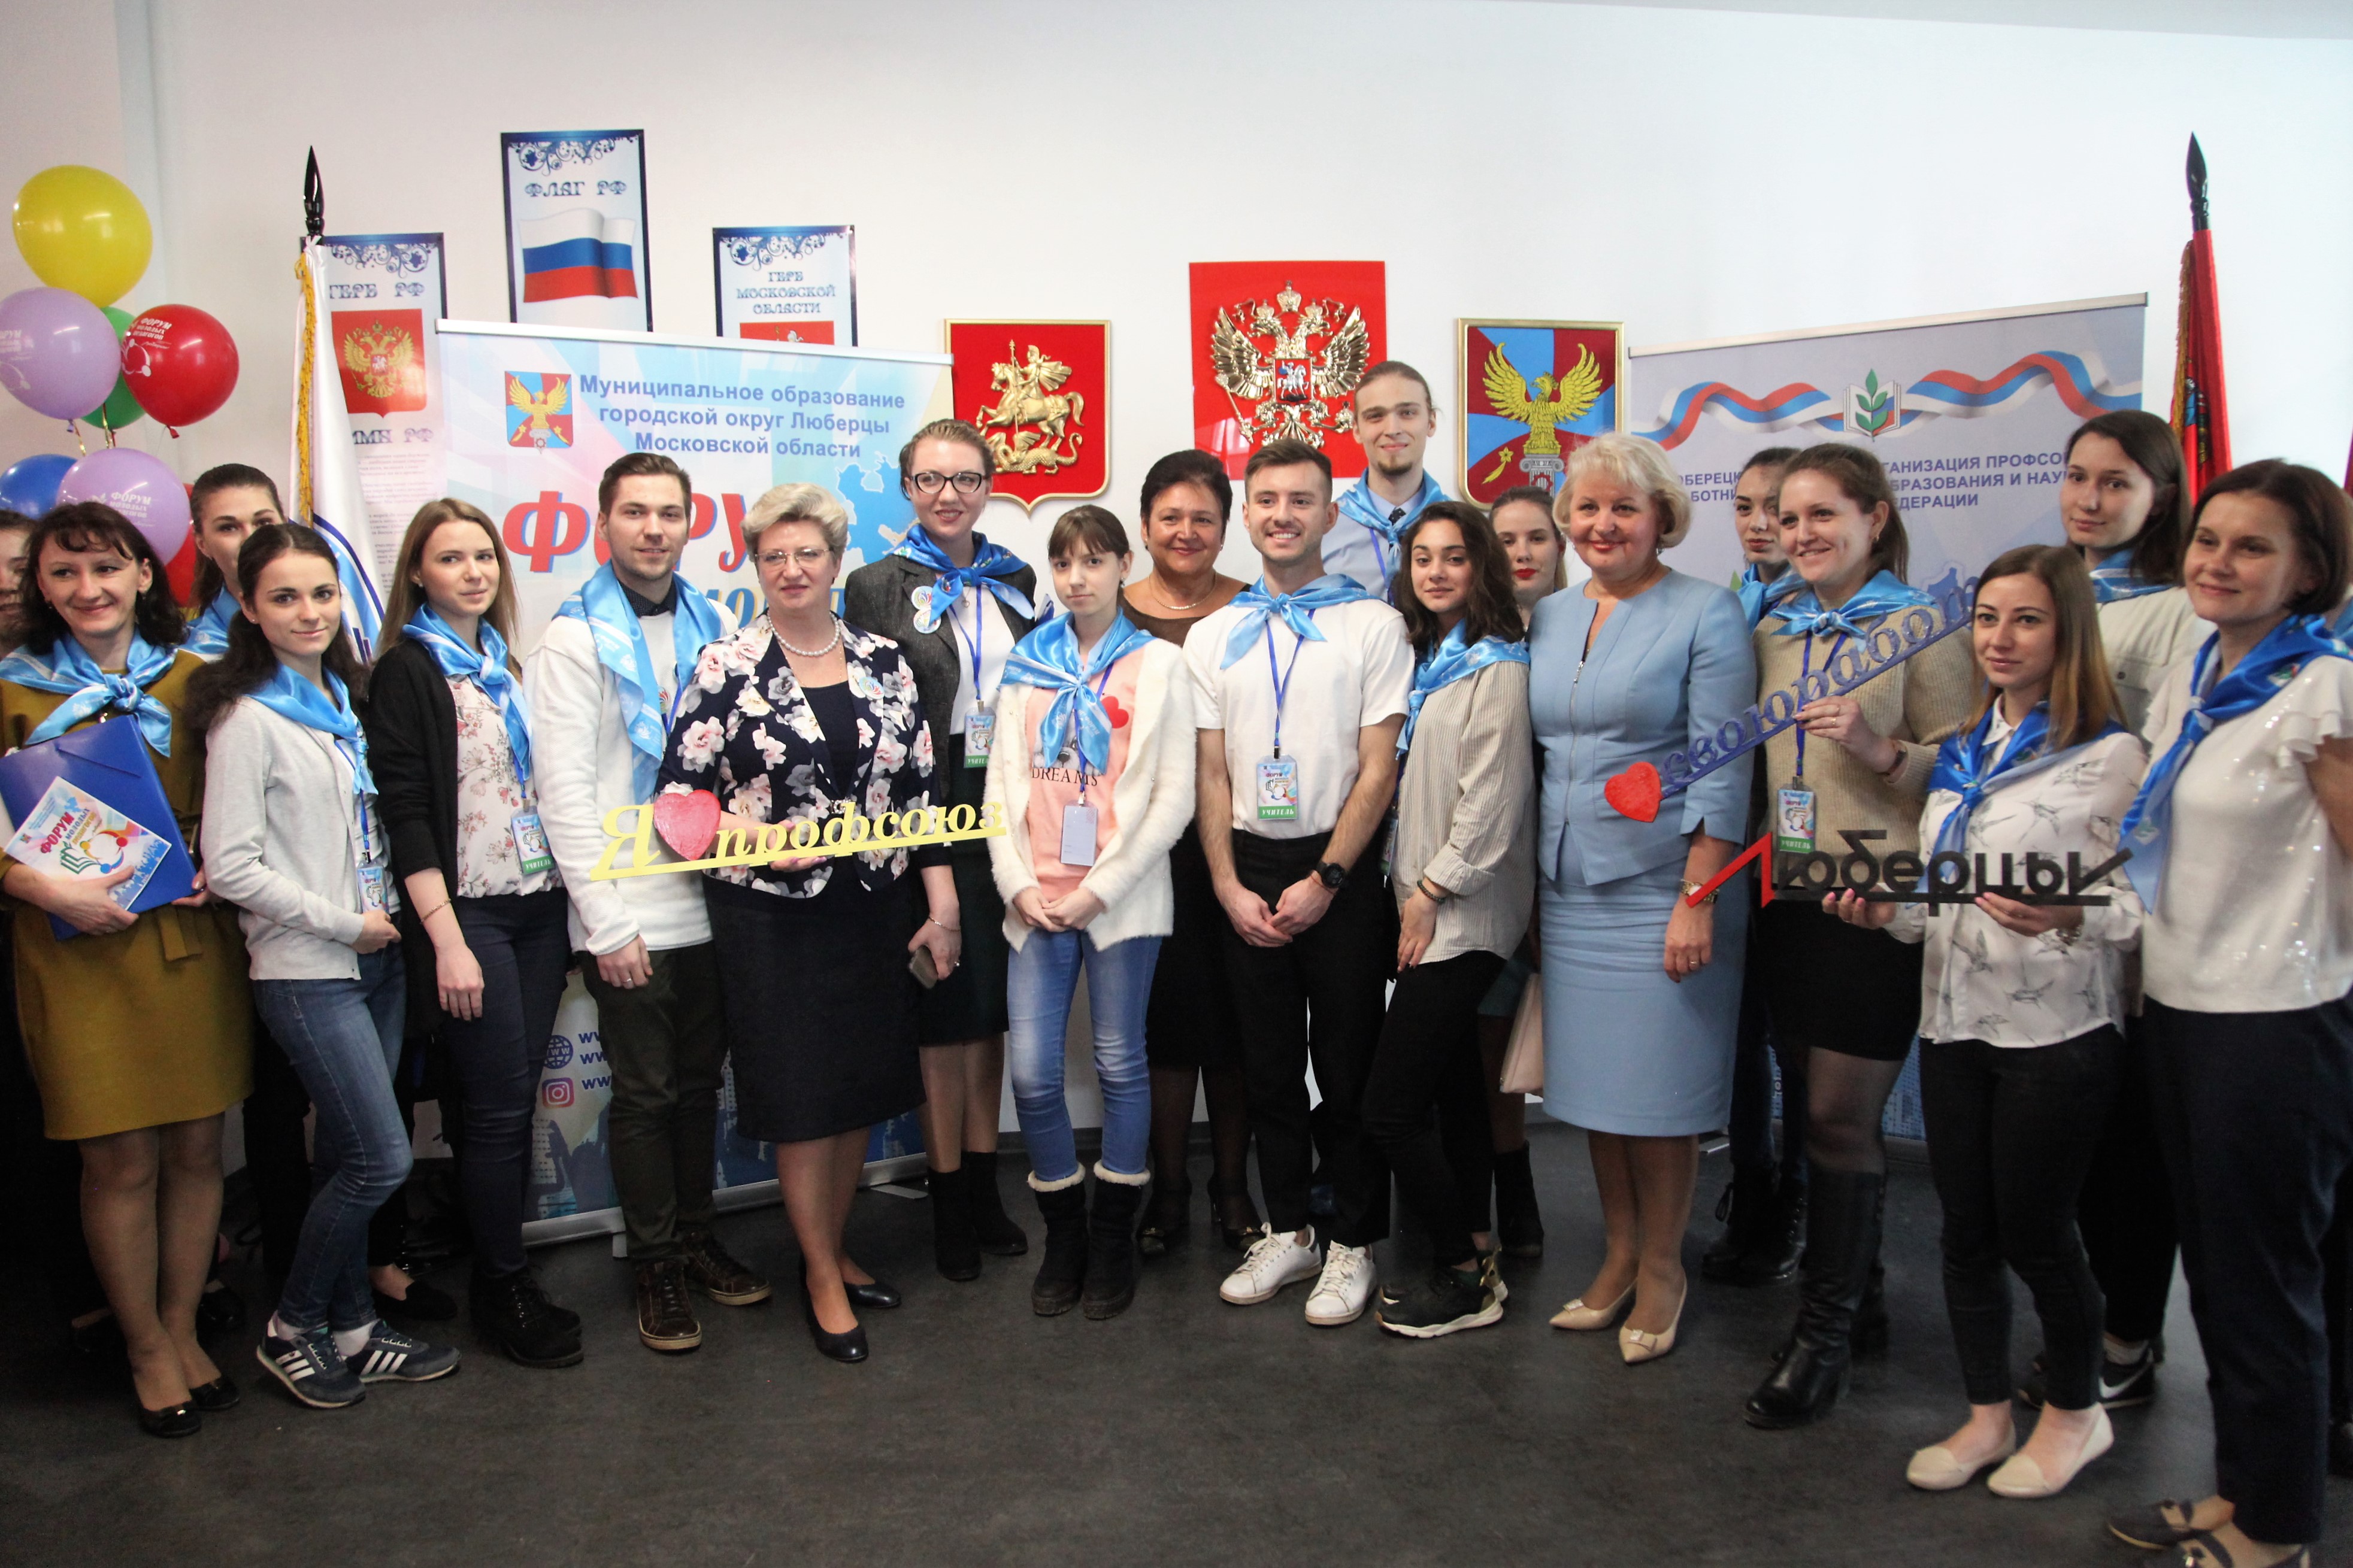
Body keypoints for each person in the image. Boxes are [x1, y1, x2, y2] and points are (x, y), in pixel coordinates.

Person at [1825, 545, 2144, 1499]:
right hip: (1954, 1021)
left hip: (2056, 1034)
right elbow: (1944, 896)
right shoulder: (1964, 749)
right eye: (1989, 618)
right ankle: (1985, 1413)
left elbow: (2147, 907)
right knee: (1964, 1230)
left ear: (2067, 631)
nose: (2000, 638)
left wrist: (2074, 911)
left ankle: (2076, 1413)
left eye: (2027, 619)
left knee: (2039, 1233)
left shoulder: (2110, 756)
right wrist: (1890, 912)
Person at [2105, 461, 2353, 1568]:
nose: (2216, 561)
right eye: (2208, 538)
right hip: (2179, 1002)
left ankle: (2277, 1526)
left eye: (2251, 547)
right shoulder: (2199, 671)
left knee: (2266, 1281)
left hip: (2275, 1019)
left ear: (2306, 571)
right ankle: (2238, 1485)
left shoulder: (2325, 690)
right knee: (2212, 1269)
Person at [660, 483, 955, 1364]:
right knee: (802, 1099)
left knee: (858, 1088)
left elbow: (922, 796)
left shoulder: (886, 659)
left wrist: (941, 905)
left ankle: (834, 1245)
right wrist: (757, 838)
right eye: (774, 556)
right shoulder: (725, 665)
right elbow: (678, 807)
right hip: (771, 918)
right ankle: (820, 1272)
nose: (792, 569)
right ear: (756, 565)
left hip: (874, 908)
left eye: (808, 554)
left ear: (835, 562)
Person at [192, 523, 461, 1409]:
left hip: (375, 960)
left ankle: (352, 1325)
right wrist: (345, 923)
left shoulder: (342, 700)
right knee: (381, 1160)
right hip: (309, 967)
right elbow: (230, 867)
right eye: (284, 597)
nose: (309, 612)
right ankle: (293, 1324)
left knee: (347, 1153)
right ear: (248, 608)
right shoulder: (248, 719)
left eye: (322, 593)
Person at [0, 502, 252, 1436]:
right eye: (64, 573)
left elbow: (244, 797)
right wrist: (43, 887)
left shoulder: (200, 678)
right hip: (76, 955)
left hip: (188, 945)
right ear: (41, 586)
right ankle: (144, 1344)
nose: (88, 588)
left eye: (106, 567)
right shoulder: (10, 689)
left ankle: (182, 1325)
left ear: (145, 573)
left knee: (195, 1150)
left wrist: (218, 861)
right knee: (117, 1161)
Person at [1742, 443, 1978, 1429]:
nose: (1800, 533)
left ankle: (1823, 1335)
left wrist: (1881, 751)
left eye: (1822, 514)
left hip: (1875, 905)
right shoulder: (1774, 627)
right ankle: (1862, 1295)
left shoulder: (1923, 626)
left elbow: (1972, 772)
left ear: (1873, 518)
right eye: (1788, 516)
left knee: (1840, 1116)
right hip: (1790, 902)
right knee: (1810, 1109)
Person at [527, 451, 766, 1357]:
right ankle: (655, 1262)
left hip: (712, 900)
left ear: (690, 523)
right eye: (635, 512)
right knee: (644, 1094)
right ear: (604, 524)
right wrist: (605, 922)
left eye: (669, 513)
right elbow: (561, 794)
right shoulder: (573, 639)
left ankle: (696, 1236)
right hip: (630, 911)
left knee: (701, 1087)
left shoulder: (718, 629)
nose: (654, 529)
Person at [1527, 435, 1756, 1365]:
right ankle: (1619, 1252)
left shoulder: (1707, 612)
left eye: (1623, 507)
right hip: (1567, 886)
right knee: (1597, 1090)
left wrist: (1698, 894)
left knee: (1658, 1095)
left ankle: (1663, 1265)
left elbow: (1723, 760)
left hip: (1664, 885)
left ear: (1662, 515)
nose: (1603, 524)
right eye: (1586, 507)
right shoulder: (1548, 615)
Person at [1190, 438, 1412, 1326]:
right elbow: (1211, 773)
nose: (1282, 515)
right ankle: (1288, 1229)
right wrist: (1224, 883)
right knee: (1268, 1066)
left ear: (1329, 513)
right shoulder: (1214, 634)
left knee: (1347, 1064)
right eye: (1267, 500)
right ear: (1246, 514)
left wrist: (1328, 877)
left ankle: (1354, 1238)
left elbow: (1378, 768)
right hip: (1247, 866)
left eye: (1301, 500)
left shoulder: (1372, 625)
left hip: (1340, 870)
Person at [366, 499, 579, 1369]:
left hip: (538, 905)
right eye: (451, 558)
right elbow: (406, 813)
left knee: (511, 1101)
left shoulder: (504, 665)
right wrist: (446, 938)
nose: (473, 572)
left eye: (484, 556)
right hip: (471, 914)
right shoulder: (408, 670)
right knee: (494, 1110)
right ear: (418, 573)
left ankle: (502, 1267)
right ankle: (502, 1285)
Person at [2031, 408, 2203, 1415]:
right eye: (2076, 476)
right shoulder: (2051, 589)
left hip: (2126, 901)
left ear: (2159, 496)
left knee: (2129, 1139)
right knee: (2070, 1134)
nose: (2088, 499)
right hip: (2037, 900)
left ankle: (2126, 1333)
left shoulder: (2180, 610)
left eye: (2114, 483)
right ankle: (2080, 1317)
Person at [986, 505, 1196, 1320]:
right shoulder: (1027, 663)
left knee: (1118, 1061)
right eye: (1063, 562)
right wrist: (1017, 886)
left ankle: (1113, 1236)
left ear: (1122, 565)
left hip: (1119, 897)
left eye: (1094, 561)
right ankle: (1064, 1235)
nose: (1077, 578)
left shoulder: (1159, 664)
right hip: (1035, 897)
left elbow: (1173, 799)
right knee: (1033, 1072)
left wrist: (1098, 891)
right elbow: (998, 788)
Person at [843, 418, 1034, 1278]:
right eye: (930, 479)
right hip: (926, 807)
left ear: (988, 486)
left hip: (1005, 802)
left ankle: (985, 1185)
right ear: (906, 488)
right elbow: (871, 718)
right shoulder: (874, 585)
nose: (948, 494)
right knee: (941, 1007)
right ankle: (948, 1194)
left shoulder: (1016, 577)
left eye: (965, 478)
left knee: (989, 1008)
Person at [1362, 501, 1534, 1337]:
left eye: (1454, 556)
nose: (1435, 571)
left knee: (1388, 1108)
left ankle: (1462, 1272)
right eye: (1422, 557)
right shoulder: (1431, 661)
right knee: (1458, 1088)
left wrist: (1429, 893)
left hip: (1460, 913)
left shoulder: (1496, 667)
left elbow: (1490, 806)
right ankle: (1478, 1249)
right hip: (1425, 902)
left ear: (1482, 567)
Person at [1118, 450, 1258, 1255]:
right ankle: (1167, 1190)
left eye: (1203, 517)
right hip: (1147, 856)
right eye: (1169, 516)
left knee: (1237, 1028)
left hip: (1241, 846)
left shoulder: (1255, 608)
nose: (1186, 531)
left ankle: (1232, 1187)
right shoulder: (1111, 611)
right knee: (1165, 1030)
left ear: (1225, 528)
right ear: (1144, 527)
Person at [1707, 445, 1811, 1289]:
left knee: (1799, 1043)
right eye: (1744, 505)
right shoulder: (1727, 604)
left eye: (1775, 506)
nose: (1759, 522)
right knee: (1737, 1038)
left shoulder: (1826, 613)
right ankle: (1752, 1183)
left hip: (1800, 856)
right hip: (1728, 849)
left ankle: (1800, 1202)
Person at [1474, 483, 1572, 1259]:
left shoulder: (1585, 631)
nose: (1521, 553)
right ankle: (1513, 1198)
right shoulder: (1473, 640)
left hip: (1578, 877)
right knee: (1492, 1053)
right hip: (1495, 875)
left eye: (1536, 537)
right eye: (1504, 540)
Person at [183, 463, 381, 660]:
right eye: (228, 528)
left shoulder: (332, 625)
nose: (251, 538)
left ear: (285, 525)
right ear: (202, 544)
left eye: (263, 522)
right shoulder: (197, 655)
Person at [1327, 361, 1446, 600]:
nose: (1392, 429)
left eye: (1407, 413)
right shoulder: (1325, 530)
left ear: (1431, 422)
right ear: (1357, 430)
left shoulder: (1464, 528)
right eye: (1376, 416)